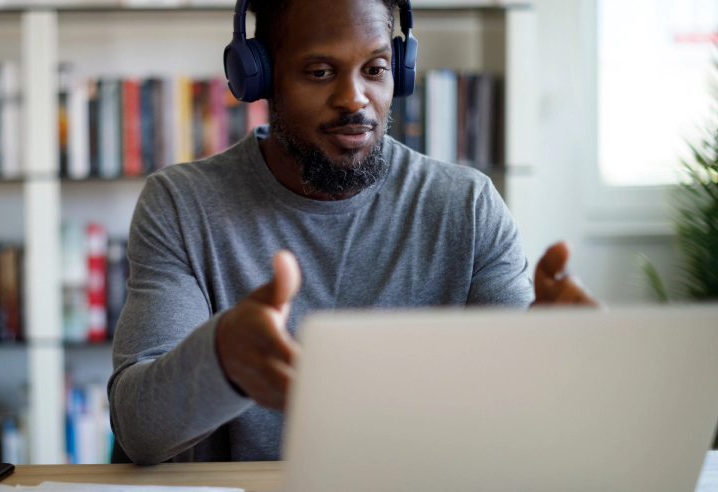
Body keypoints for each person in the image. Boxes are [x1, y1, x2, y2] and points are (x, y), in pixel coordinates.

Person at [107, 0, 597, 466]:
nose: (354, 98)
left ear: (399, 72)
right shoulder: (182, 205)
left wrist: (556, 363)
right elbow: (138, 430)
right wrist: (220, 359)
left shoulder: (467, 207)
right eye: (320, 72)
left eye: (376, 69)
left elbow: (517, 422)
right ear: (261, 75)